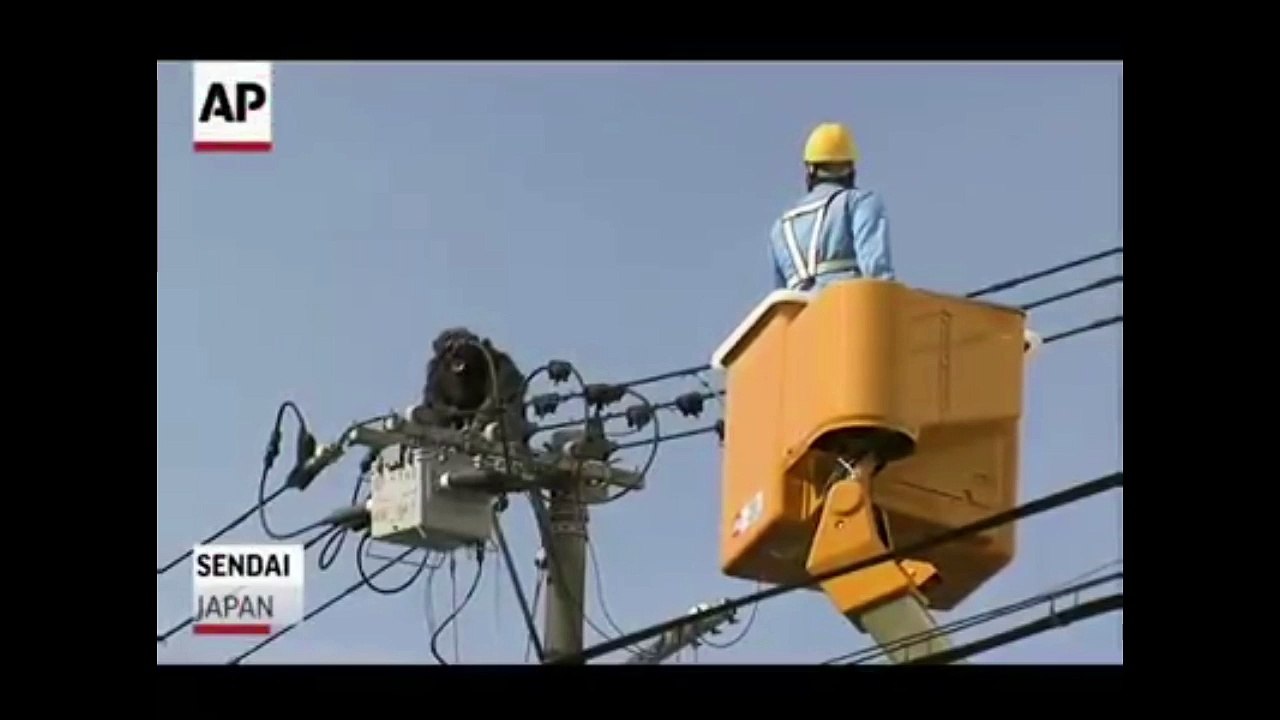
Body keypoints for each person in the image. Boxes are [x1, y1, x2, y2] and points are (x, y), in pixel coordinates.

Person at [770, 122, 896, 292]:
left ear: (810, 169)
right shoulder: (860, 202)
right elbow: (876, 275)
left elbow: (781, 297)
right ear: (851, 169)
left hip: (802, 308)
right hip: (847, 303)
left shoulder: (781, 227)